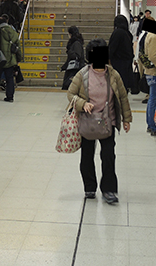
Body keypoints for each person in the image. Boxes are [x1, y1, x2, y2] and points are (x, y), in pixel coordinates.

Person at [67, 38, 132, 203]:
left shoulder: (113, 74)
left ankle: (109, 189)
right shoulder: (82, 75)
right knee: (87, 156)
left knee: (108, 155)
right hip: (87, 122)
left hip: (107, 122)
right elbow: (71, 94)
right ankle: (89, 187)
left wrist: (126, 119)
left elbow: (122, 96)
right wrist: (83, 104)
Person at [0, 15, 20, 102]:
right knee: (9, 78)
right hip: (10, 59)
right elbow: (18, 46)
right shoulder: (13, 32)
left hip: (0, 59)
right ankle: (10, 97)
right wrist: (19, 59)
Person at [109, 14, 137, 95]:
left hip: (119, 62)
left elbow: (112, 48)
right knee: (124, 82)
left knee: (118, 82)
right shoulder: (127, 33)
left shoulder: (117, 33)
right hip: (127, 62)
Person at [61, 25, 84, 90]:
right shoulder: (75, 43)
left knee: (68, 85)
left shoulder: (76, 43)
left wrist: (69, 51)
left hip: (75, 69)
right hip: (73, 68)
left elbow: (77, 55)